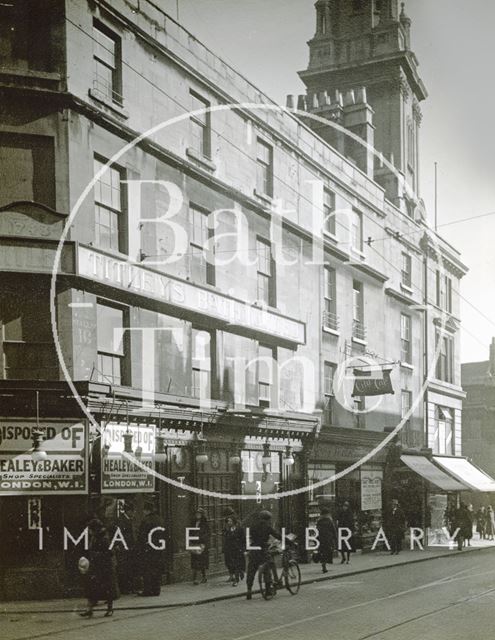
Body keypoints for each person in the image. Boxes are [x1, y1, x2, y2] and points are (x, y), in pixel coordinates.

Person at [80, 518, 117, 618]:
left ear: (95, 529)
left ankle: (110, 608)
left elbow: (110, 553)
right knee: (91, 588)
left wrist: (96, 555)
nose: (89, 531)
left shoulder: (104, 538)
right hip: (96, 566)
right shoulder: (95, 537)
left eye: (90, 529)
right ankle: (89, 609)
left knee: (107, 589)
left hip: (105, 567)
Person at [245, 510, 281, 600]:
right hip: (263, 550)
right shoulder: (267, 527)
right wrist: (289, 541)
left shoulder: (253, 526)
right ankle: (268, 590)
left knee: (251, 570)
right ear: (268, 519)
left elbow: (250, 537)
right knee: (267, 569)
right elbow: (277, 536)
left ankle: (249, 590)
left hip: (253, 550)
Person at [137, 502, 165, 596]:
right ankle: (156, 590)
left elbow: (142, 536)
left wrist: (141, 548)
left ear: (146, 510)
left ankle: (148, 590)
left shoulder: (146, 520)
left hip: (148, 550)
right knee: (156, 570)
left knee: (147, 570)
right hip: (158, 549)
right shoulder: (160, 519)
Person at [112, 502, 136, 595]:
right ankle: (125, 588)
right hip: (124, 548)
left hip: (127, 547)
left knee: (127, 568)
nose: (133, 513)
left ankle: (128, 587)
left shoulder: (126, 519)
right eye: (132, 511)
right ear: (128, 511)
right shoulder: (122, 520)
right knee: (124, 568)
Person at [222, 515, 245, 586]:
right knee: (229, 563)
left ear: (234, 522)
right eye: (228, 521)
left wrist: (243, 549)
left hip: (237, 550)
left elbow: (243, 539)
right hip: (229, 550)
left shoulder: (240, 529)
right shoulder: (227, 529)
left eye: (230, 521)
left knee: (236, 565)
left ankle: (236, 580)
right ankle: (233, 576)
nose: (229, 522)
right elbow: (225, 539)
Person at [190, 507, 210, 585]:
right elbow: (190, 532)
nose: (197, 515)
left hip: (202, 544)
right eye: (196, 514)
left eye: (199, 514)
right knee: (195, 561)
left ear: (202, 515)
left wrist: (203, 541)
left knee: (201, 561)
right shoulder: (193, 522)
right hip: (194, 543)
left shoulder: (205, 523)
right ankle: (195, 579)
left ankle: (204, 577)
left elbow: (207, 534)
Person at [316, 506, 337, 573]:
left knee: (322, 551)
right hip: (328, 538)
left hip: (321, 538)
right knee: (328, 551)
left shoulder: (319, 521)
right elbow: (333, 529)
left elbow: (317, 529)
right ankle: (324, 564)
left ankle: (323, 563)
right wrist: (335, 537)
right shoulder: (329, 521)